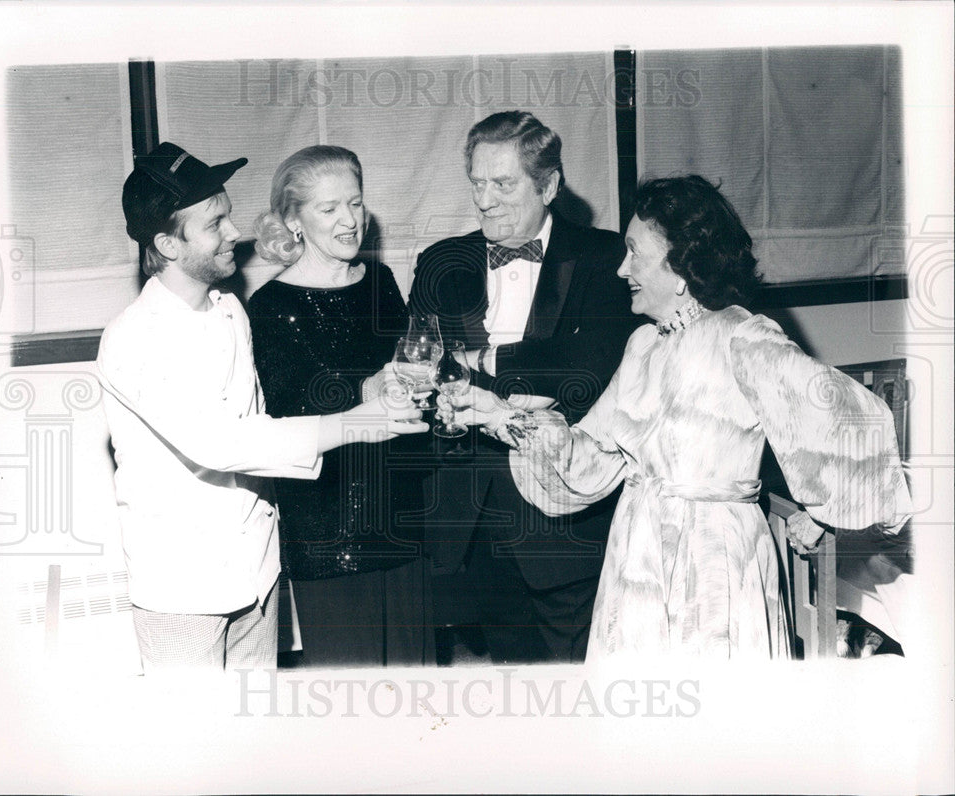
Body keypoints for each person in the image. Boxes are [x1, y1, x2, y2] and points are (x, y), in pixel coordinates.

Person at [445, 174, 913, 660]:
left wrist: (821, 511)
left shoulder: (742, 337)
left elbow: (851, 416)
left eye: (635, 254)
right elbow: (589, 459)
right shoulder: (643, 345)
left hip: (714, 563)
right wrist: (496, 414)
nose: (621, 268)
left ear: (683, 266)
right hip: (637, 554)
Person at [96, 142, 426, 673]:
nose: (234, 233)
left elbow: (265, 418)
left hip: (257, 568)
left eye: (227, 216)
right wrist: (356, 421)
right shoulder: (134, 336)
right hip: (184, 585)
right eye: (214, 224)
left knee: (257, 731)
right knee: (194, 741)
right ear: (167, 244)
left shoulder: (230, 310)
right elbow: (222, 443)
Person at [409, 111, 642, 664]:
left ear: (550, 185)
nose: (484, 200)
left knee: (581, 682)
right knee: (511, 684)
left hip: (565, 516)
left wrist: (476, 362)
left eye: (503, 183)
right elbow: (417, 366)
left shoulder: (605, 258)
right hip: (470, 519)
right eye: (477, 183)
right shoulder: (442, 262)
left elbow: (589, 374)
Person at [248, 145, 433, 667]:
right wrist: (369, 387)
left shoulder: (380, 282)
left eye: (355, 203)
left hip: (398, 503)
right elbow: (286, 415)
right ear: (293, 221)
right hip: (326, 522)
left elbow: (406, 368)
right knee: (347, 694)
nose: (350, 221)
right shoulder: (269, 307)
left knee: (414, 679)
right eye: (329, 209)